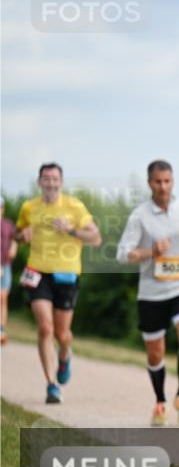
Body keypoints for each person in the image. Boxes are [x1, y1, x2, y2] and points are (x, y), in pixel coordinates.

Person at [117, 160, 179, 426]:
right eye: (158, 182)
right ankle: (160, 402)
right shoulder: (139, 216)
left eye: (167, 181)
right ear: (149, 183)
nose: (163, 186)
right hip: (151, 293)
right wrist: (151, 252)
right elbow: (123, 254)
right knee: (155, 354)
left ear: (173, 181)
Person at [15, 163, 102, 404]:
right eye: (46, 179)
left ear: (61, 182)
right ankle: (51, 384)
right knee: (45, 328)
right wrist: (22, 236)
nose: (50, 183)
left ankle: (65, 354)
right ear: (39, 182)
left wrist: (71, 230)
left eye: (55, 179)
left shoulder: (74, 207)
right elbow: (18, 235)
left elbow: (96, 238)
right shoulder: (29, 207)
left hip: (66, 274)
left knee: (63, 334)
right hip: (37, 271)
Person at [1, 201, 18, 345]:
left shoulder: (8, 224)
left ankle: (1, 330)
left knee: (3, 297)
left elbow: (15, 239)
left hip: (4, 265)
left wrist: (14, 248)